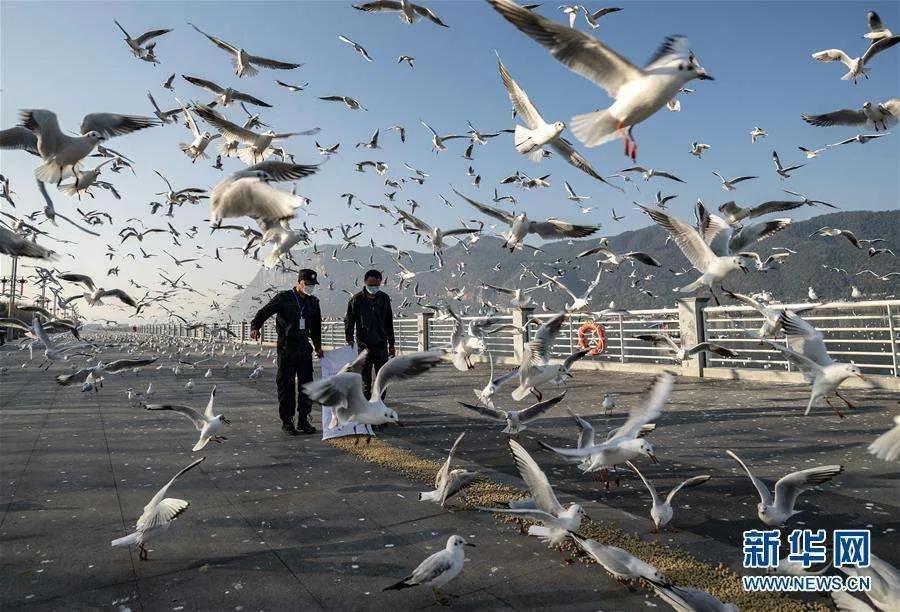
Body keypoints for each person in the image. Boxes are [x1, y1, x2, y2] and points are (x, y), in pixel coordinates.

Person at [250, 269, 323, 435]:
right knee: (286, 384)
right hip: (286, 347)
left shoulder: (313, 302)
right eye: (307, 284)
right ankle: (287, 421)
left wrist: (318, 346)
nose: (310, 288)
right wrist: (255, 327)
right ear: (299, 282)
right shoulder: (284, 298)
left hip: (304, 348)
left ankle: (303, 420)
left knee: (307, 385)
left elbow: (316, 327)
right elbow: (264, 312)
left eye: (312, 285)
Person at [344, 269, 395, 399]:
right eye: (371, 284)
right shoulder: (356, 300)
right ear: (365, 282)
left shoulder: (384, 298)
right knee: (365, 382)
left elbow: (388, 321)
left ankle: (379, 407)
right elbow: (349, 320)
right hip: (364, 347)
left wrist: (391, 344)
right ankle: (367, 409)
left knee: (382, 380)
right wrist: (349, 338)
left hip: (381, 346)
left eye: (377, 285)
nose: (374, 287)